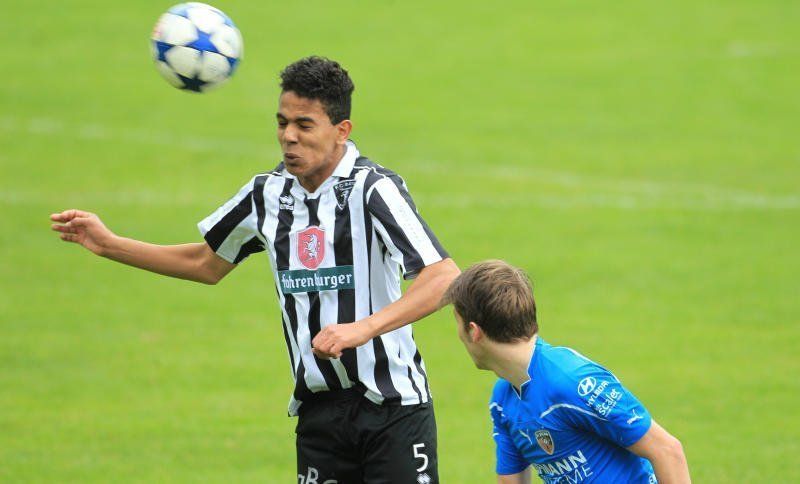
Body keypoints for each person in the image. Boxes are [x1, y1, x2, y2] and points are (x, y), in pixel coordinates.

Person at [51, 56, 459, 483]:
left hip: (393, 410)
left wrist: (362, 329)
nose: (288, 137)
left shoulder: (372, 189)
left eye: (304, 125)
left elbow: (443, 276)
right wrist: (109, 244)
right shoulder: (267, 194)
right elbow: (205, 263)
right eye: (282, 123)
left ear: (342, 131)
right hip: (319, 414)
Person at [440, 260, 690, 483]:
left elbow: (667, 451)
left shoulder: (573, 381)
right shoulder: (503, 400)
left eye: (457, 322)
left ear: (474, 331)